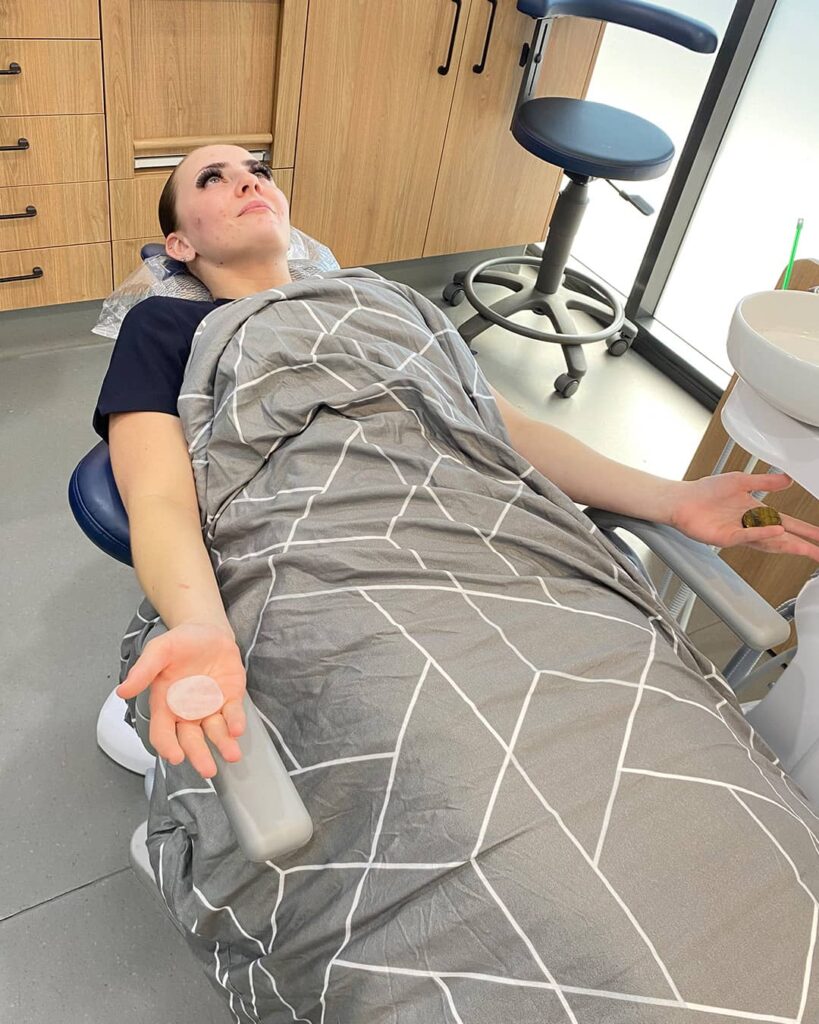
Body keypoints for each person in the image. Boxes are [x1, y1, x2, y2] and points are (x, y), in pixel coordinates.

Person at [94, 145, 819, 1021]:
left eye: (255, 167)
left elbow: (502, 430)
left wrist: (667, 498)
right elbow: (161, 493)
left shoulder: (385, 298)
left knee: (677, 757)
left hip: (497, 537)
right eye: (211, 179)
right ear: (178, 246)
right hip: (322, 552)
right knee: (446, 782)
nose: (248, 179)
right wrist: (201, 623)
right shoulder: (166, 331)